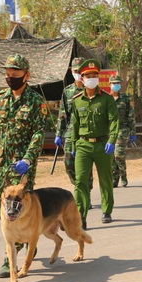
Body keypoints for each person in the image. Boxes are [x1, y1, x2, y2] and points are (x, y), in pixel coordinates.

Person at [0, 54, 49, 278]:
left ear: (26, 75)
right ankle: (26, 241)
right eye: (7, 75)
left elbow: (38, 133)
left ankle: (12, 256)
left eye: (15, 75)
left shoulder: (36, 102)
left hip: (21, 167)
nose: (10, 78)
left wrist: (28, 159)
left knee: (16, 208)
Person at [71, 59, 119, 228]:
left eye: (94, 75)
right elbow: (74, 125)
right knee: (81, 181)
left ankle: (107, 210)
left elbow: (114, 121)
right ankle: (81, 215)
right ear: (82, 79)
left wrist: (112, 140)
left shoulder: (106, 99)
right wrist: (72, 145)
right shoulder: (77, 101)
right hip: (83, 145)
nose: (91, 78)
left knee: (105, 179)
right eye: (88, 76)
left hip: (103, 145)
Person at [55, 58, 92, 189]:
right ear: (71, 71)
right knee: (69, 164)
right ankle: (79, 186)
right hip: (70, 132)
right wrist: (59, 134)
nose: (78, 73)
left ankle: (85, 192)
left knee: (85, 164)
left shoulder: (91, 90)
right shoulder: (67, 91)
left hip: (86, 132)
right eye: (75, 70)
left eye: (80, 70)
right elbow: (62, 114)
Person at [108, 75, 136, 188]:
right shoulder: (106, 98)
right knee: (111, 156)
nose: (116, 85)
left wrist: (132, 132)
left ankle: (123, 176)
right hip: (109, 130)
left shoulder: (125, 98)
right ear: (109, 84)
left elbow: (131, 116)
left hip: (122, 129)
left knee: (119, 153)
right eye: (114, 83)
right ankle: (114, 178)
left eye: (118, 83)